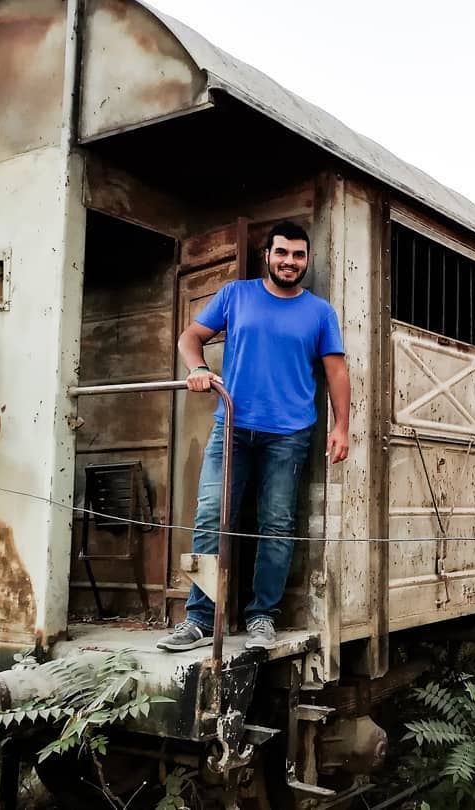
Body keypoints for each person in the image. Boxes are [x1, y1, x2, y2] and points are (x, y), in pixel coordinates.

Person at [158, 221, 350, 651]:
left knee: (276, 526)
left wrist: (341, 426)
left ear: (307, 260)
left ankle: (262, 616)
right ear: (268, 254)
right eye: (282, 253)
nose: (290, 262)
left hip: (290, 433)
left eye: (298, 255)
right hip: (231, 427)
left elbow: (336, 370)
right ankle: (200, 619)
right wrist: (199, 368)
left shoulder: (319, 311)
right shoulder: (235, 295)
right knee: (211, 516)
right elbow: (191, 338)